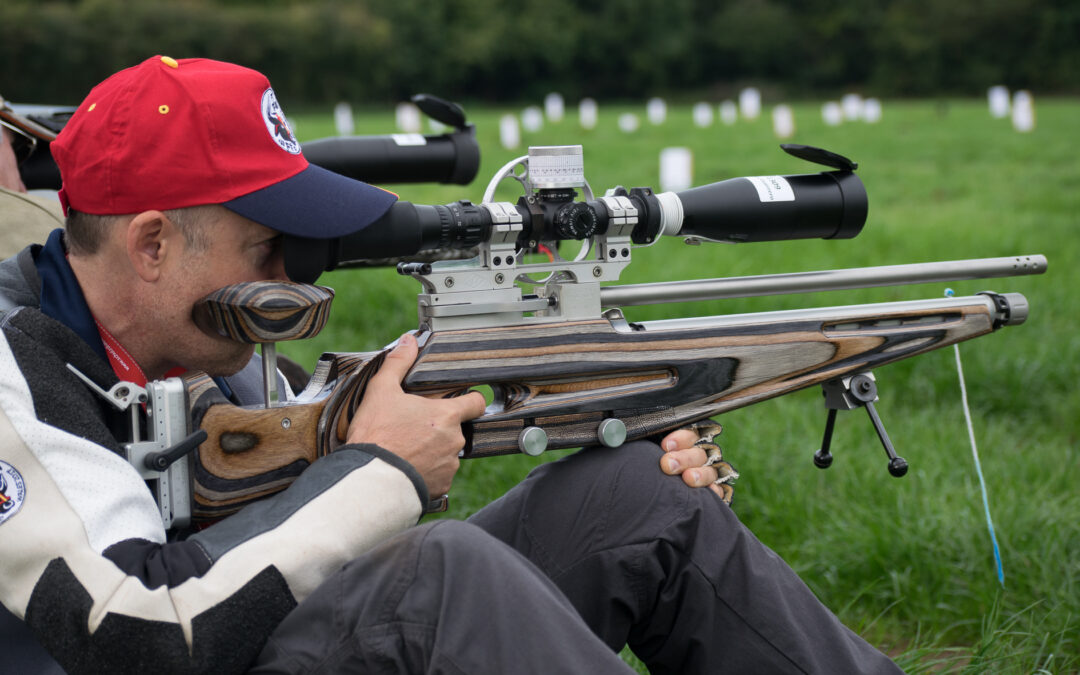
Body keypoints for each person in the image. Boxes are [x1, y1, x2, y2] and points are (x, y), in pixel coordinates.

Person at [0, 56, 903, 674]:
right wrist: (379, 470)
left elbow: (276, 526)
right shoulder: (15, 365)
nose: (291, 275)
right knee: (439, 574)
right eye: (270, 246)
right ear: (152, 243)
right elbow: (135, 631)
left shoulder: (217, 354)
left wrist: (555, 407)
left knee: (639, 497)